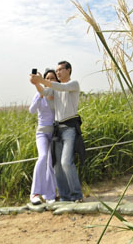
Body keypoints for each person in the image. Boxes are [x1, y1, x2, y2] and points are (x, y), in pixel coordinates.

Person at [31, 61, 85, 202]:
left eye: (61, 69)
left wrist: (41, 80)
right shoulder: (55, 88)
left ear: (69, 70)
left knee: (66, 162)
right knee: (58, 166)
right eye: (57, 70)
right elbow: (43, 91)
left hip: (70, 128)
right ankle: (65, 197)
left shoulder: (73, 84)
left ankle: (77, 195)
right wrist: (36, 83)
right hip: (58, 129)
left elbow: (60, 87)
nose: (58, 72)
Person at [28, 68, 59, 205]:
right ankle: (35, 193)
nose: (50, 80)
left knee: (51, 162)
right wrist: (40, 93)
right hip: (41, 132)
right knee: (42, 157)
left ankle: (49, 194)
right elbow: (32, 110)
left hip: (54, 132)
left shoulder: (56, 94)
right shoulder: (38, 94)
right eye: (47, 78)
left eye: (52, 78)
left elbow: (54, 103)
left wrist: (42, 90)